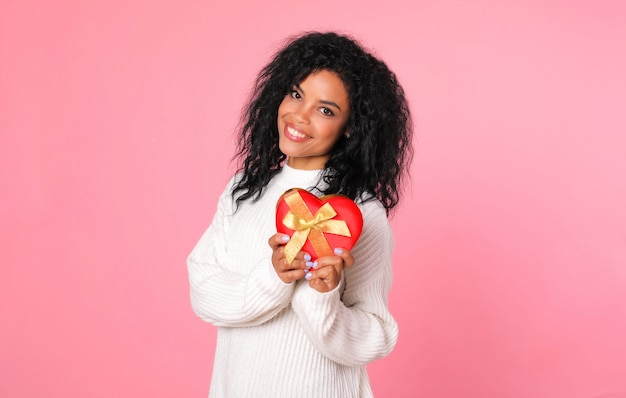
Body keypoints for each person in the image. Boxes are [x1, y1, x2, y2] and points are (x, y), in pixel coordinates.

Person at [187, 31, 413, 398]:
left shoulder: (360, 213)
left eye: (326, 110)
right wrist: (274, 279)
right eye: (296, 94)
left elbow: (377, 336)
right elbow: (204, 290)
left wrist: (322, 296)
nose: (299, 116)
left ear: (351, 127)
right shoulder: (244, 189)